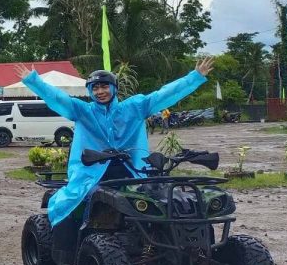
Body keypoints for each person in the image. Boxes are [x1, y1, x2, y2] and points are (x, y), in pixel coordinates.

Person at [15, 58, 214, 234]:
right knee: (84, 202)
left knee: (158, 200)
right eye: (95, 88)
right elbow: (57, 98)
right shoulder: (82, 111)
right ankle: (85, 237)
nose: (100, 91)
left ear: (114, 87)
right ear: (90, 91)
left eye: (104, 86)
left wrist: (194, 77)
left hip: (132, 170)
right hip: (90, 172)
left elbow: (163, 95)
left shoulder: (134, 107)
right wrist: (34, 81)